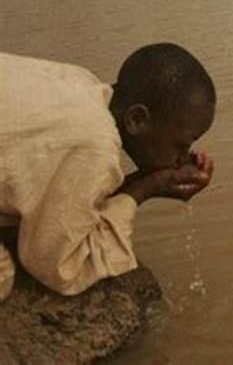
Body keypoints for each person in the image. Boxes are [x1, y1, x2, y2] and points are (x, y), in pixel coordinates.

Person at [0, 43, 216, 299]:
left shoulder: (83, 83)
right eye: (182, 145)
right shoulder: (94, 143)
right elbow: (59, 268)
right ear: (137, 119)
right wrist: (146, 188)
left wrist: (148, 179)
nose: (183, 157)